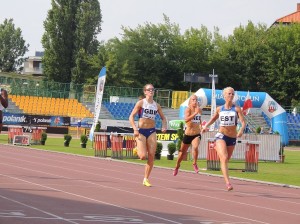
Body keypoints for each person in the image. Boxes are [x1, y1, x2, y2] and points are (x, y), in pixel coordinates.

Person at [201, 87, 246, 191]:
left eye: (232, 94)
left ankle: (215, 147)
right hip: (221, 135)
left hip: (232, 137)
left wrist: (241, 130)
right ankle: (228, 183)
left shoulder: (237, 109)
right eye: (229, 94)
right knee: (224, 158)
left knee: (226, 160)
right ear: (224, 95)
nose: (231, 96)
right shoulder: (219, 109)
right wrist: (205, 126)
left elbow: (243, 122)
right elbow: (213, 119)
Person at [129, 84, 167, 187]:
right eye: (149, 89)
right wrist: (135, 128)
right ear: (145, 92)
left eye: (152, 90)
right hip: (141, 131)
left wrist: (164, 126)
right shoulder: (141, 103)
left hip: (151, 131)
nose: (151, 91)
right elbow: (131, 117)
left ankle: (146, 178)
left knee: (151, 155)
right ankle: (137, 147)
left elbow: (163, 118)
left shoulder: (156, 105)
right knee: (142, 156)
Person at [173, 94, 202, 176]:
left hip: (196, 134)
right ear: (190, 101)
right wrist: (195, 113)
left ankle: (194, 163)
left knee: (195, 147)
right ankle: (177, 166)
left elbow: (199, 120)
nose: (195, 101)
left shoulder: (199, 110)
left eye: (196, 100)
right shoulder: (188, 109)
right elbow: (186, 119)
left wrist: (201, 127)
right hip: (188, 134)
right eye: (193, 100)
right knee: (182, 153)